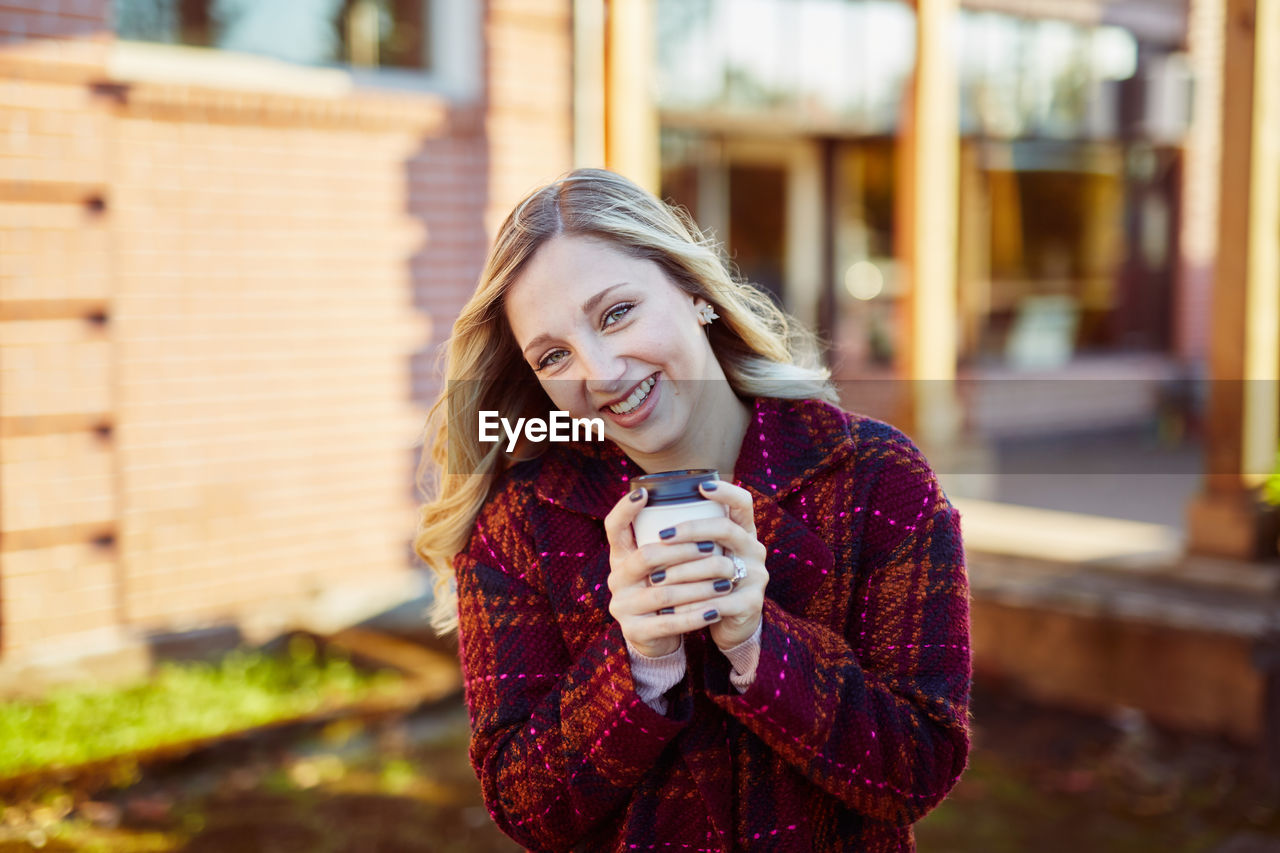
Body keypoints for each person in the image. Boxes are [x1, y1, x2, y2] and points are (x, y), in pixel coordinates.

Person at [414, 168, 971, 852]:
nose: (601, 372)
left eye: (616, 313)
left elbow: (920, 768)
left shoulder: (877, 479)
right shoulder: (518, 527)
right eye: (554, 355)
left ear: (694, 290)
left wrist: (757, 644)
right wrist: (637, 661)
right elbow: (526, 808)